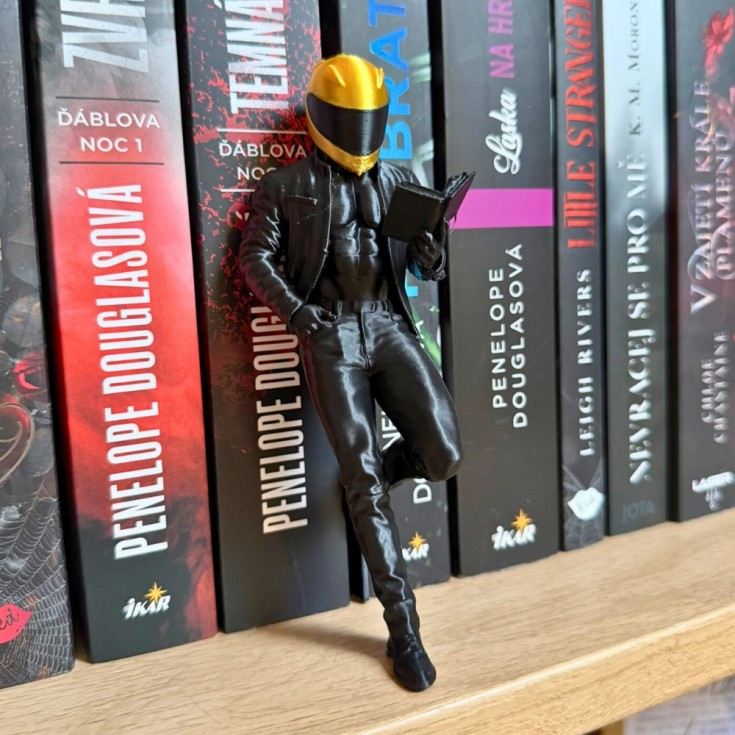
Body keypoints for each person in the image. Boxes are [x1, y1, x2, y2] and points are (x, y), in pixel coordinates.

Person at [239, 54, 462, 692]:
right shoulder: (287, 186)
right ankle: (404, 629)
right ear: (322, 116)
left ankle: (371, 483)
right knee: (361, 477)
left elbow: (422, 268)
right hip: (332, 334)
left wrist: (431, 253)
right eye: (347, 117)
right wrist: (297, 312)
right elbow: (254, 256)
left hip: (389, 324)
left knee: (444, 453)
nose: (359, 131)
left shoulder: (400, 179)